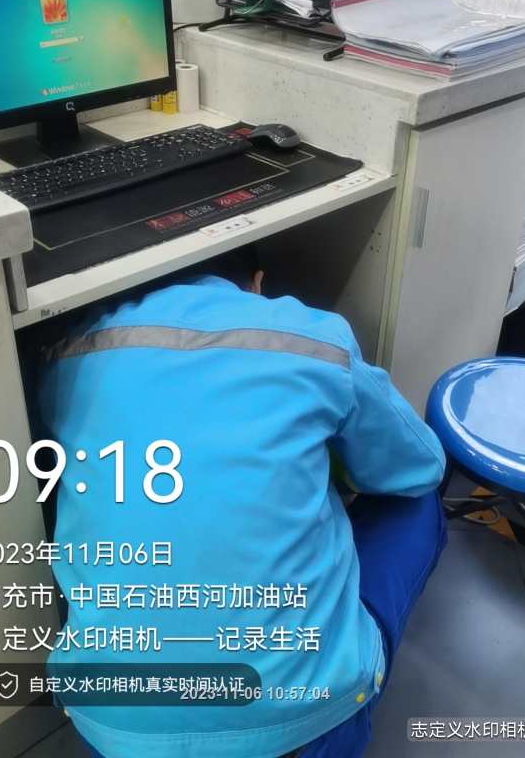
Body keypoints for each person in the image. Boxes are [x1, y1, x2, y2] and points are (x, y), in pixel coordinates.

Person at [37, 245, 447, 758]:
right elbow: (420, 466)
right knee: (419, 503)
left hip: (111, 731)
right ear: (256, 283)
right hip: (301, 734)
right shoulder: (316, 337)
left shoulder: (64, 358)